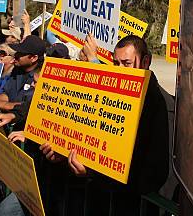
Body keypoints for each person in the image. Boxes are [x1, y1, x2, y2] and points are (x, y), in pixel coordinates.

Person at [41, 35, 169, 215]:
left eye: (127, 63)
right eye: (116, 64)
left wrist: (93, 173)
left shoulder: (153, 102)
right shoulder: (111, 95)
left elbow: (149, 172)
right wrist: (63, 151)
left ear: (146, 61)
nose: (120, 70)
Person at [0, 35, 46, 216]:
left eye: (21, 53)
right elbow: (8, 96)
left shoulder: (43, 75)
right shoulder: (17, 70)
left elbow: (25, 105)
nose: (16, 55)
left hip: (30, 146)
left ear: (33, 58)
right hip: (12, 133)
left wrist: (0, 106)